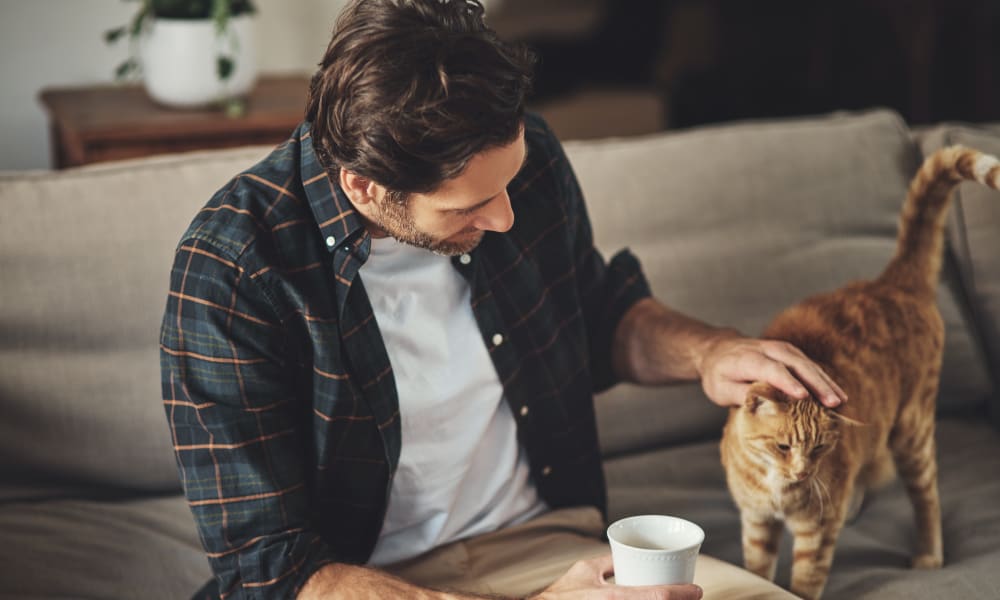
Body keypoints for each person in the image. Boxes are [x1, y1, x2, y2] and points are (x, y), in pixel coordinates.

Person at [159, 1, 848, 598]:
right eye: (470, 205)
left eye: (509, 184)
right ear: (366, 187)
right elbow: (272, 573)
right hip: (362, 580)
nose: (506, 219)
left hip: (551, 542)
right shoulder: (234, 273)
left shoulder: (532, 157)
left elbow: (597, 309)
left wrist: (709, 353)